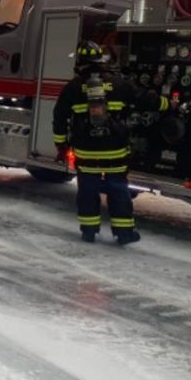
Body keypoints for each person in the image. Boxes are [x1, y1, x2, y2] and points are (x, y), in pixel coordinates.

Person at [52, 40, 167, 245]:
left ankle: (89, 231)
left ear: (79, 61)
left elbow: (59, 118)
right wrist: (168, 104)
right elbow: (145, 98)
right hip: (115, 151)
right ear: (101, 60)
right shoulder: (119, 83)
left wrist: (61, 146)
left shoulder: (72, 87)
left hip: (86, 152)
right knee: (118, 189)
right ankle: (124, 233)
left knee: (87, 190)